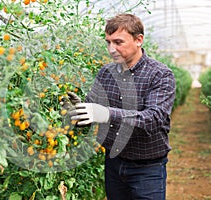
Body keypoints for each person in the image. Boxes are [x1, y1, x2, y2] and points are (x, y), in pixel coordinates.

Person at [68, 13, 176, 200]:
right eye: (108, 42)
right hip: (113, 163)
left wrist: (106, 113)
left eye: (118, 42)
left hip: (147, 168)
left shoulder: (160, 75)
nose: (112, 49)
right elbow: (93, 111)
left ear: (138, 40)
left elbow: (153, 119)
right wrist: (78, 113)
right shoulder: (106, 73)